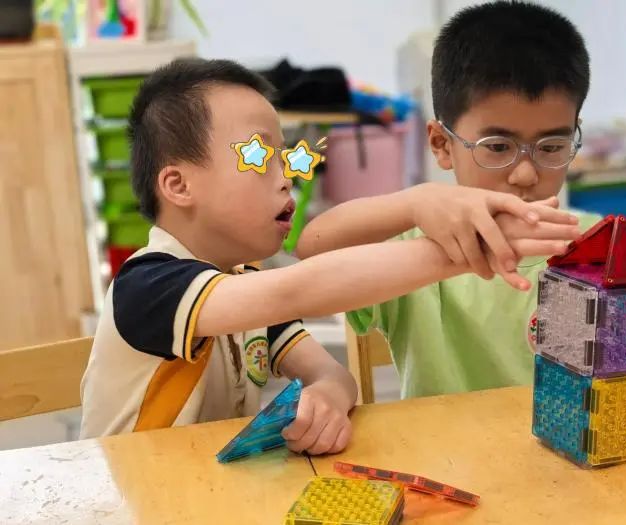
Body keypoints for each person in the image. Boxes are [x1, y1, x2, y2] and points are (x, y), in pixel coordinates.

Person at [79, 56, 579, 453]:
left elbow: (332, 373)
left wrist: (325, 397)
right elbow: (298, 288)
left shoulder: (243, 283)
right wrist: (465, 247)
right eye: (258, 158)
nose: (286, 179)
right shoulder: (149, 286)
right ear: (178, 185)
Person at [296, 1, 626, 398]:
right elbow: (312, 249)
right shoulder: (410, 248)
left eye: (551, 146)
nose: (525, 173)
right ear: (441, 144)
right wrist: (414, 203)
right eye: (496, 146)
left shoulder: (603, 246)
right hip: (446, 445)